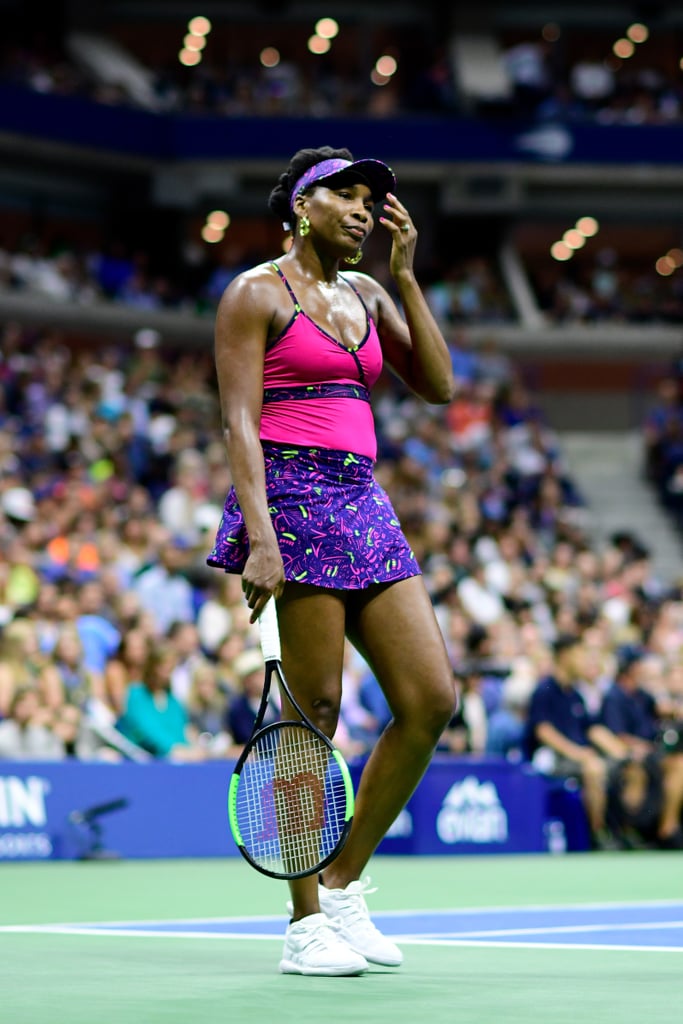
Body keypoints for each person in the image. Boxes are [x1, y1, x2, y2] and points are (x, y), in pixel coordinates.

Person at [207, 145, 458, 976]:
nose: (361, 209)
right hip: (290, 495)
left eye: (370, 199)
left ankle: (344, 880)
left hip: (361, 499)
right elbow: (241, 423)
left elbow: (437, 385)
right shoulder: (253, 294)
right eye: (344, 196)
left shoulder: (369, 292)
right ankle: (304, 921)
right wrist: (263, 537)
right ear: (301, 205)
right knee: (312, 712)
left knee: (429, 699)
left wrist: (408, 276)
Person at [523, 633, 629, 850]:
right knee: (594, 768)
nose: (586, 661)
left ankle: (628, 831)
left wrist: (621, 751)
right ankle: (598, 834)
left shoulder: (576, 695)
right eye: (580, 655)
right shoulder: (545, 690)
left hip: (580, 758)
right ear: (565, 656)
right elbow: (544, 731)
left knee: (631, 768)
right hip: (551, 761)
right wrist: (579, 754)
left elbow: (592, 729)